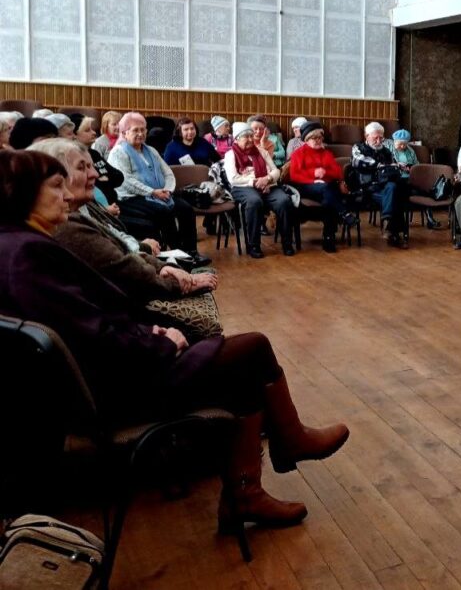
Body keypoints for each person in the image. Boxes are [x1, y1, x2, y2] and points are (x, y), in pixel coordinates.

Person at [0, 148, 349, 530]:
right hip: (117, 389)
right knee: (253, 348)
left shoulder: (15, 244)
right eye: (56, 186)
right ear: (23, 191)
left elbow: (86, 323)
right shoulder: (28, 254)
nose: (67, 195)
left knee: (242, 366)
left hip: (101, 377)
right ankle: (276, 456)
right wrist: (161, 341)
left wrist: (147, 331)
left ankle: (251, 487)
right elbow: (91, 336)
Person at [32, 138, 218, 305]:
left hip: (125, 291)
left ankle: (188, 252)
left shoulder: (86, 206)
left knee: (180, 208)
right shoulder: (66, 225)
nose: (95, 174)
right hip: (117, 306)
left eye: (91, 166)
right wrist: (176, 282)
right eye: (82, 168)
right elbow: (122, 270)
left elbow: (119, 247)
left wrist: (164, 267)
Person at [107, 112, 208, 264]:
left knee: (186, 209)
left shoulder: (151, 151)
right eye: (135, 130)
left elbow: (168, 173)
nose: (140, 133)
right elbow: (126, 181)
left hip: (159, 193)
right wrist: (152, 192)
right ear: (124, 133)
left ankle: (192, 251)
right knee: (164, 211)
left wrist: (168, 189)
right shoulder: (118, 152)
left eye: (143, 129)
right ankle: (179, 255)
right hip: (132, 198)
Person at [225, 124, 295, 258]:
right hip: (243, 187)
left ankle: (287, 243)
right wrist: (255, 181)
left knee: (284, 201)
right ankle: (254, 245)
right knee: (254, 202)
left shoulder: (261, 151)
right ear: (237, 139)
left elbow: (276, 171)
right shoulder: (230, 155)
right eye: (246, 137)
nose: (250, 139)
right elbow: (233, 178)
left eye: (251, 136)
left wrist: (267, 179)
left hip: (267, 184)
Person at [288, 121, 357, 253]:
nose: (318, 140)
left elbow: (337, 172)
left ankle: (329, 236)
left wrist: (325, 173)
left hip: (327, 188)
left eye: (320, 138)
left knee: (328, 200)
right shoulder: (298, 153)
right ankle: (342, 216)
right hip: (306, 187)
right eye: (314, 138)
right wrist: (313, 174)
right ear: (306, 139)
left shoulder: (326, 153)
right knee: (329, 191)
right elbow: (294, 175)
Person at [348, 121, 410, 248]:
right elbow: (357, 161)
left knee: (394, 189)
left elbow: (392, 165)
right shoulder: (358, 147)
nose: (379, 141)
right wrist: (380, 165)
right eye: (375, 137)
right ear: (366, 136)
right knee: (395, 195)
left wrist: (398, 165)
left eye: (381, 138)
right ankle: (394, 234)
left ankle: (388, 224)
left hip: (384, 188)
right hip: (366, 188)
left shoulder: (386, 151)